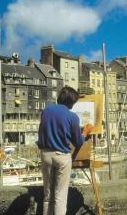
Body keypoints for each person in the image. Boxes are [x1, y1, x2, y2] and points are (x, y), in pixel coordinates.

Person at [38, 86, 93, 215]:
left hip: (45, 154)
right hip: (62, 156)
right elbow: (78, 142)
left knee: (47, 196)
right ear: (72, 102)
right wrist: (84, 132)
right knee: (60, 197)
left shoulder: (46, 110)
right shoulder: (72, 116)